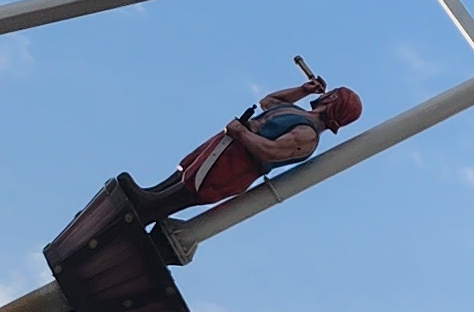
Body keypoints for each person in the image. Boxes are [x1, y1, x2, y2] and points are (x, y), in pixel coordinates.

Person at [128, 78, 362, 223]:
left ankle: (150, 208)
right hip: (228, 146)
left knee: (194, 184)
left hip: (237, 164)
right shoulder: (300, 114)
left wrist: (241, 133)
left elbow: (270, 151)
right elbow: (269, 101)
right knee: (188, 168)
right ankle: (152, 194)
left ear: (333, 100)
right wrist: (303, 90)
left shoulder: (307, 135)